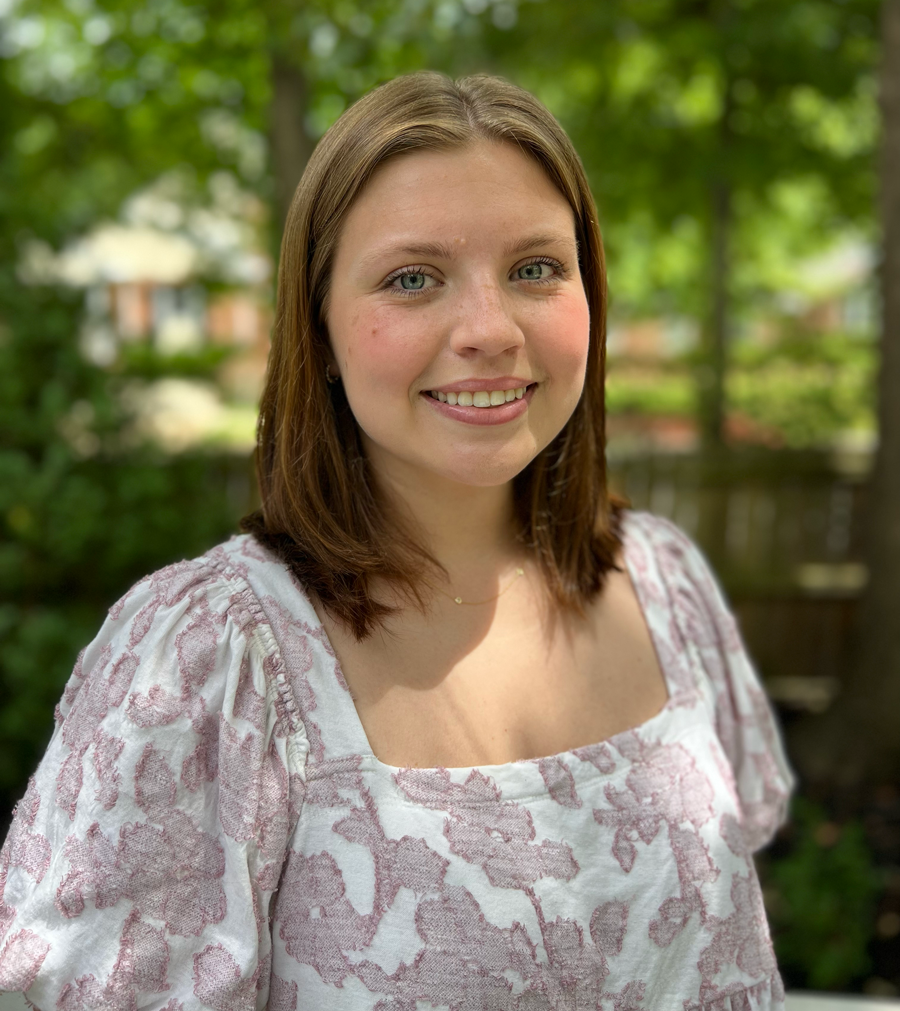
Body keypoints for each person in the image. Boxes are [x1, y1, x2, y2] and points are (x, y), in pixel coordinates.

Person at [0, 72, 792, 1009]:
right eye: (412, 278)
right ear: (321, 333)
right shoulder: (213, 658)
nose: (490, 331)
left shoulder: (664, 583)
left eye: (536, 267)